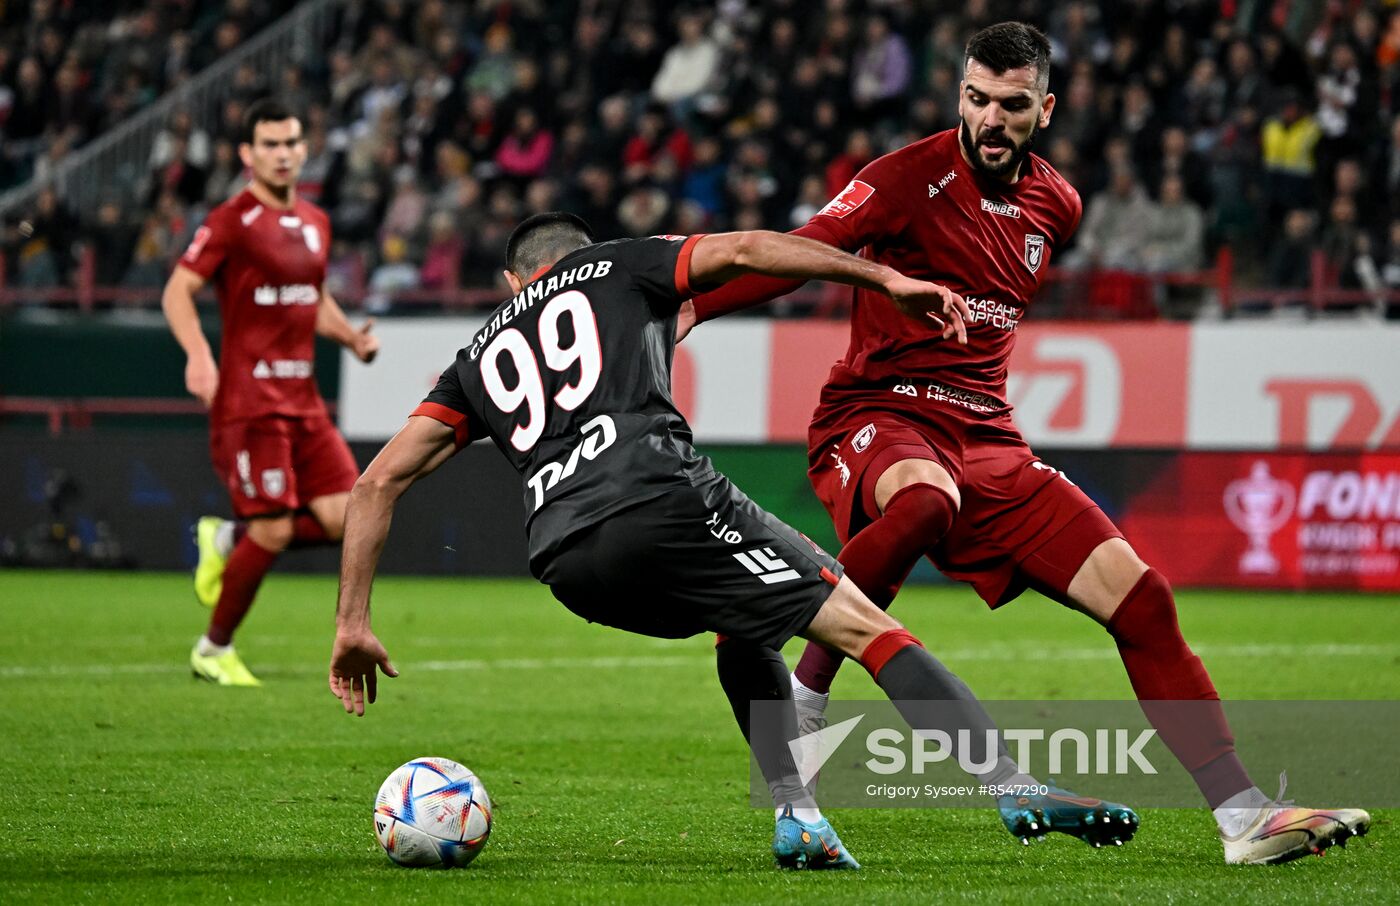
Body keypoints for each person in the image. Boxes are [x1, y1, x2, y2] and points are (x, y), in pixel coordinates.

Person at [679, 22, 1370, 866]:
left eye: (1011, 105)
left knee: (1142, 598)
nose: (990, 120)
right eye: (975, 100)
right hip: (879, 412)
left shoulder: (1059, 204)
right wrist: (691, 306)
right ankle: (809, 694)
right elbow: (801, 252)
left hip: (988, 436)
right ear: (959, 97)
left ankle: (1244, 817)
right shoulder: (901, 178)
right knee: (926, 499)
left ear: (1044, 109)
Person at [326, 213, 1139, 870]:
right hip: (658, 498)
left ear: (512, 282)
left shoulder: (475, 357)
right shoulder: (620, 266)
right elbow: (752, 249)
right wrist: (884, 277)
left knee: (743, 625)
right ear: (589, 252)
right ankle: (1012, 785)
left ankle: (800, 820)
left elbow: (374, 485)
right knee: (864, 623)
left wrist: (351, 624)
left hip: (568, 561)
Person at [162, 99, 380, 687]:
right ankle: (213, 648)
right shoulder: (231, 219)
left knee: (345, 517)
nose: (282, 154)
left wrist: (349, 339)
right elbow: (178, 292)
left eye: (291, 143)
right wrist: (199, 355)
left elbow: (311, 299)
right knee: (276, 528)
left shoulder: (316, 222)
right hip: (250, 401)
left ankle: (227, 535)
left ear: (303, 149)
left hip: (303, 400)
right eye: (270, 145)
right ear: (247, 154)